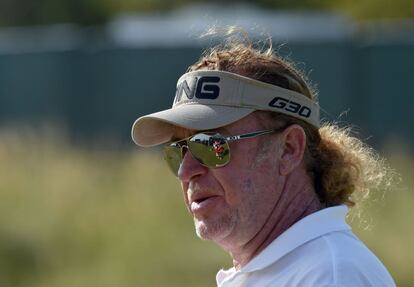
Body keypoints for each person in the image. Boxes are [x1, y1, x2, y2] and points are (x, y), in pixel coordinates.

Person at [131, 31, 396, 287]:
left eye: (211, 144)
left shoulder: (332, 276)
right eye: (178, 150)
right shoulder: (286, 270)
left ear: (289, 149)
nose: (186, 171)